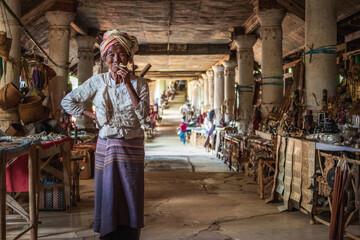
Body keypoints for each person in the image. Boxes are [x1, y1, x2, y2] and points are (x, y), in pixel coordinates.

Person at [61, 30, 149, 240]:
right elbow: (68, 101)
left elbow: (144, 114)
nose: (116, 60)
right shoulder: (97, 81)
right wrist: (90, 115)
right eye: (111, 55)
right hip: (107, 145)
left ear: (128, 59)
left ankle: (130, 232)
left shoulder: (139, 84)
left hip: (131, 146)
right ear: (104, 58)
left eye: (120, 55)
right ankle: (108, 231)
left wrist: (128, 84)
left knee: (131, 189)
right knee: (108, 190)